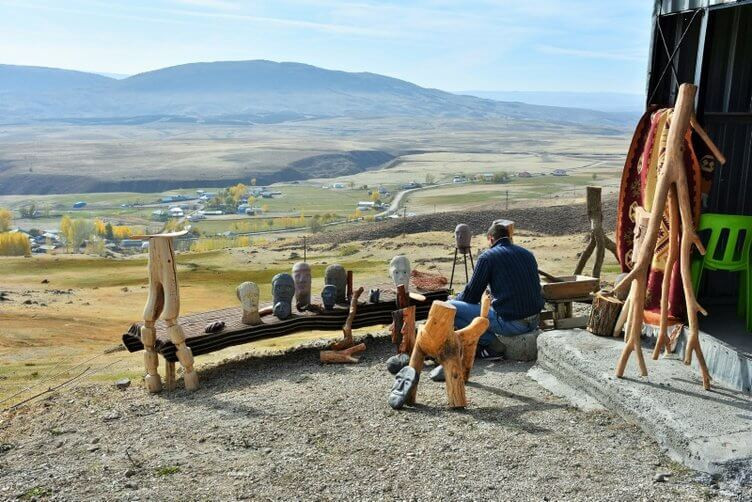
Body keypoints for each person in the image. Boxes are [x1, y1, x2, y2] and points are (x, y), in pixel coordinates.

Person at [450, 220, 544, 359]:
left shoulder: (488, 257)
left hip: (512, 323)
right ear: (508, 236)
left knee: (450, 308)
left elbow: (471, 296)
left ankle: (491, 344)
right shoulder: (527, 254)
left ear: (490, 238)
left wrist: (454, 298)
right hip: (534, 320)